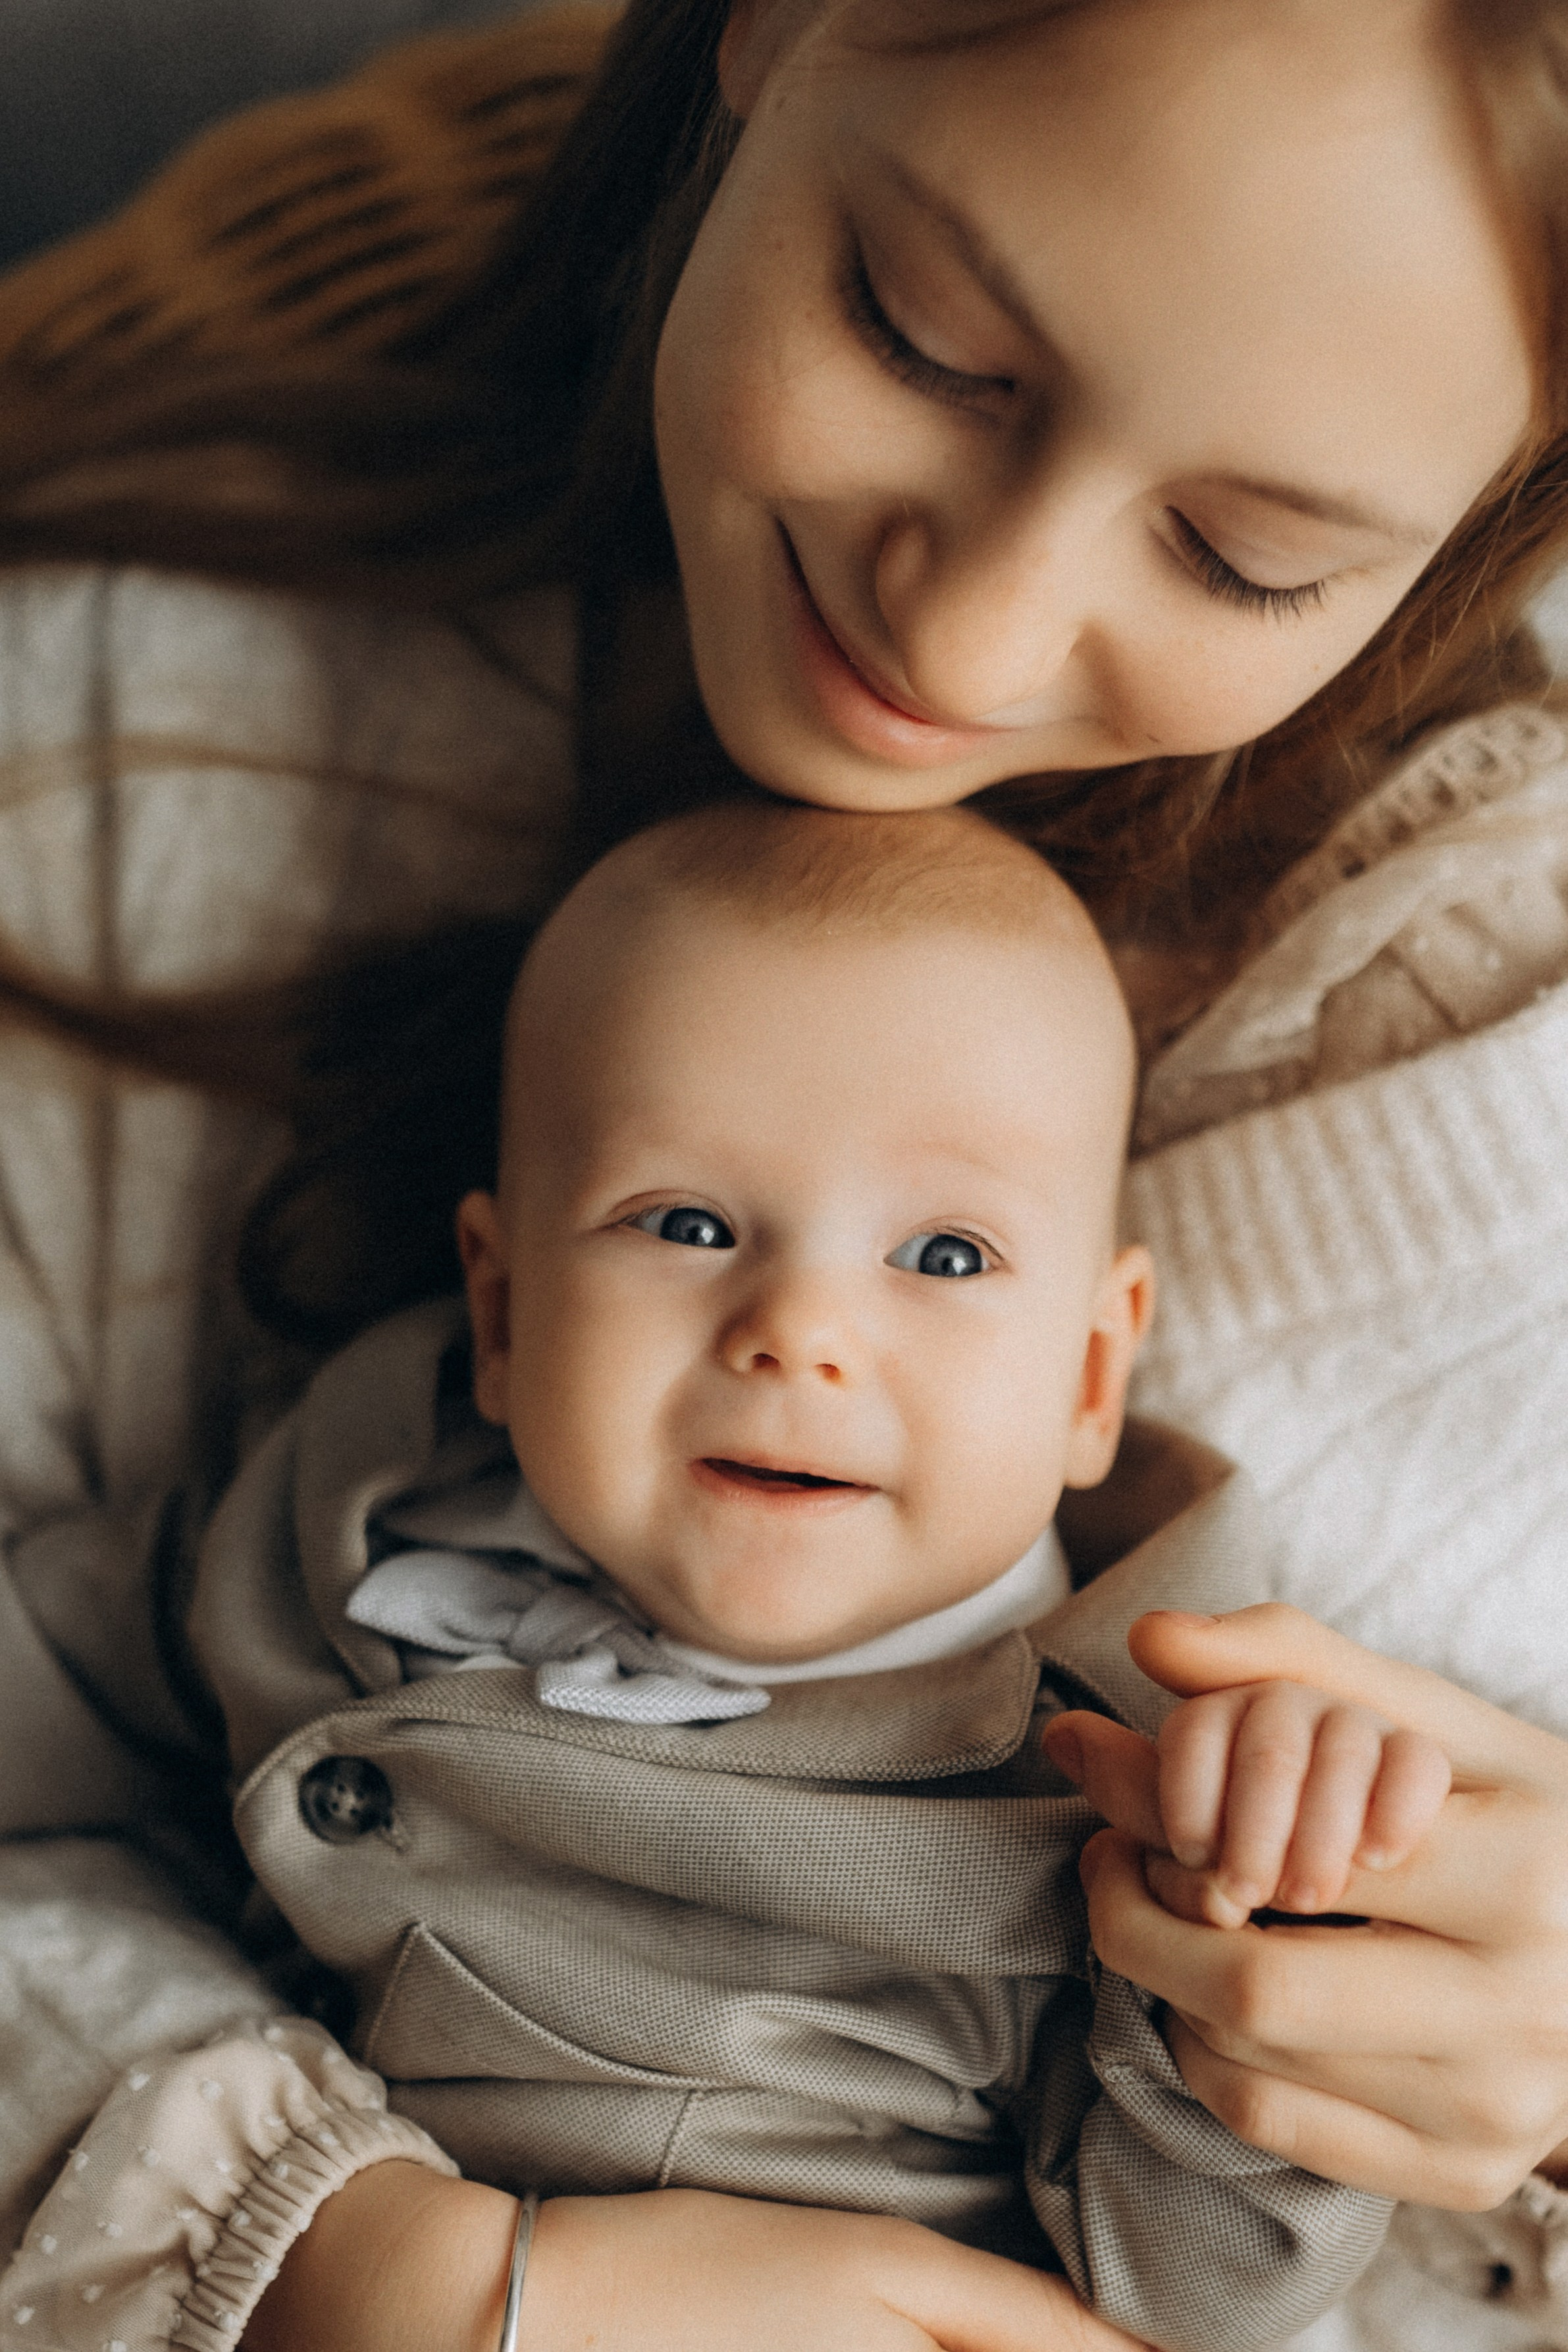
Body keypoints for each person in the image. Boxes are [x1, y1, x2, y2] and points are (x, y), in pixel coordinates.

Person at [0, 1, 1565, 2349]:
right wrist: (341, 2264)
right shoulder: (131, 748)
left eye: (1244, 556)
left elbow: (1229, 2251)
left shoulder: (1478, 1080)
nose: (966, 630)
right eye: (924, 338)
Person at [5, 801, 1455, 2352]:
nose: (799, 1326)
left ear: (1093, 1373)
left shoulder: (1124, 1770)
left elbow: (1208, 2294)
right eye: (687, 1222)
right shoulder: (344, 1519)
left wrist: (1260, 1934)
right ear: (500, 1314)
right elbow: (50, 1678)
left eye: (945, 1254)